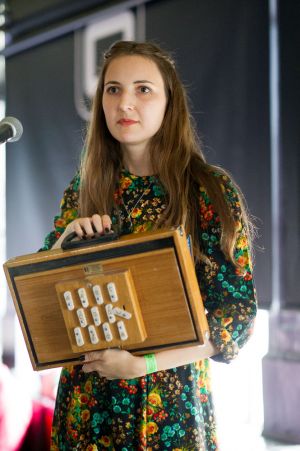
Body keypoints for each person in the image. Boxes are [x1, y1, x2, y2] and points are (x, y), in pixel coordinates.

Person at [41, 40, 257, 451]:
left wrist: (143, 364)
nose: (125, 103)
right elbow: (45, 298)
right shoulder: (84, 190)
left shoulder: (208, 190)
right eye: (113, 89)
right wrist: (65, 242)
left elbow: (236, 316)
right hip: (88, 402)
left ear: (168, 103)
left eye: (143, 89)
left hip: (168, 403)